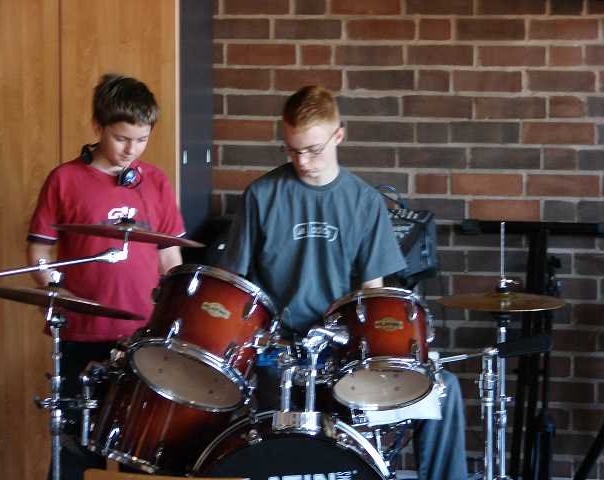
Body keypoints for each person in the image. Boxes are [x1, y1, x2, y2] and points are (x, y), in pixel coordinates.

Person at [219, 85, 468, 480]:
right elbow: (236, 288)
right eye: (292, 150)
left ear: (338, 135)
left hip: (343, 353)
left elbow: (372, 294)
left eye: (312, 149)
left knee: (444, 390)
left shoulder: (364, 202)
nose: (302, 161)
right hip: (280, 352)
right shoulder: (261, 195)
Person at [26, 73, 185, 479]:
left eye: (142, 140)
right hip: (82, 333)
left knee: (142, 450)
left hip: (142, 337)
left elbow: (170, 257)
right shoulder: (64, 180)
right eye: (121, 138)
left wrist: (174, 318)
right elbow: (39, 252)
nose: (131, 150)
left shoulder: (156, 182)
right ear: (98, 126)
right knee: (75, 450)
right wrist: (54, 290)